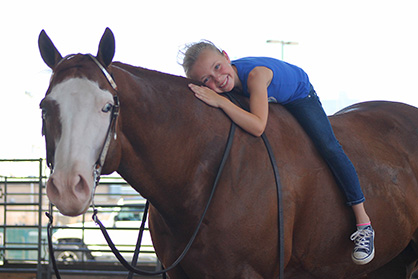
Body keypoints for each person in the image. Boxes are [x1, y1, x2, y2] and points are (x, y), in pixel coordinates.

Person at [180, 40, 375, 265]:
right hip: (266, 94)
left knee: (329, 147)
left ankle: (364, 223)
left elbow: (257, 126)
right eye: (207, 80)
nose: (217, 79)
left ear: (226, 56)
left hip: (299, 94)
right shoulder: (226, 82)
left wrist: (220, 102)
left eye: (217, 67)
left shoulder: (256, 76)